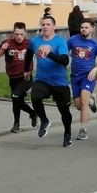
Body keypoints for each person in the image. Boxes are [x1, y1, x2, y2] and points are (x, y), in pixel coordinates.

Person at [24, 15, 73, 148]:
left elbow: (65, 61)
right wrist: (27, 70)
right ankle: (44, 121)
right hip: (42, 79)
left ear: (54, 27)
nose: (45, 27)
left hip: (59, 82)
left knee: (65, 112)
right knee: (35, 97)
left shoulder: (60, 42)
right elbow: (28, 55)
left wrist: (49, 53)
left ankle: (67, 133)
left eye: (48, 24)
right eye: (43, 24)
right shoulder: (35, 41)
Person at [67, 18, 97, 141]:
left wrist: (95, 70)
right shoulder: (73, 40)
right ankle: (91, 101)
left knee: (83, 101)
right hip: (75, 76)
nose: (83, 29)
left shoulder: (95, 44)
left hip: (88, 76)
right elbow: (63, 51)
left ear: (92, 29)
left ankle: (83, 130)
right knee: (79, 105)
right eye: (82, 27)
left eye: (86, 27)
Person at [0, 22, 37, 133]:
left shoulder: (29, 44)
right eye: (17, 34)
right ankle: (32, 113)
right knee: (18, 101)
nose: (19, 37)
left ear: (25, 33)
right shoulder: (7, 43)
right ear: (13, 33)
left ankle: (16, 124)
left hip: (25, 78)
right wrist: (2, 49)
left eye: (21, 34)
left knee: (15, 96)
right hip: (13, 78)